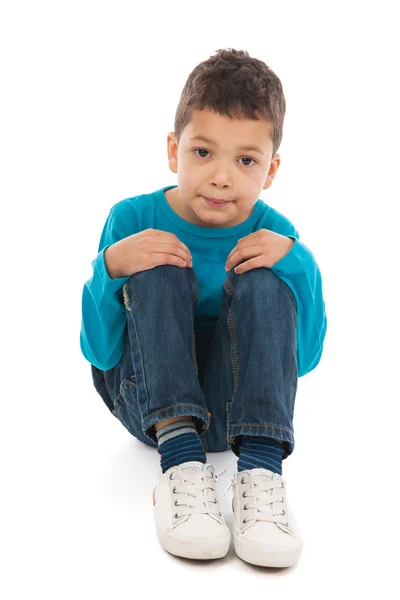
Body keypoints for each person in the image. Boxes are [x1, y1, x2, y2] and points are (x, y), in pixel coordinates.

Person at [80, 48, 327, 567]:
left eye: (245, 161)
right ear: (174, 150)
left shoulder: (274, 234)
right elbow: (101, 356)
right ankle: (181, 466)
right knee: (159, 261)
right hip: (147, 408)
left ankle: (260, 473)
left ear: (271, 169)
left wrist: (298, 263)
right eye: (202, 153)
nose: (221, 177)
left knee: (264, 279)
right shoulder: (131, 217)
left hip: (241, 414)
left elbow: (299, 364)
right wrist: (110, 268)